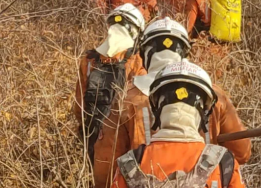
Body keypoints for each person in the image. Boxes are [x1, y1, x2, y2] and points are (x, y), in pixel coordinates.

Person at [91, 17, 251, 188]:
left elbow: (106, 167)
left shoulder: (127, 99)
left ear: (146, 53)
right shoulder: (212, 94)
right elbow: (242, 152)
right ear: (184, 51)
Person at [111, 60, 246, 188]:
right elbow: (244, 153)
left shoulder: (130, 164)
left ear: (157, 108)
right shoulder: (223, 163)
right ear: (204, 110)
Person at [73, 3, 146, 165]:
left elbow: (79, 107)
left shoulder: (89, 60)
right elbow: (139, 108)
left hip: (92, 136)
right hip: (122, 142)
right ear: (137, 33)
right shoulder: (136, 61)